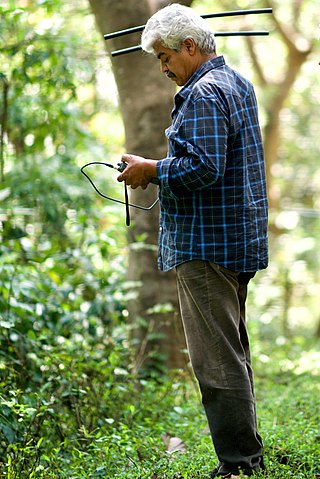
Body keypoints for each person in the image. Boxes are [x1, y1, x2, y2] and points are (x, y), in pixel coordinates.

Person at [117, 4, 268, 478]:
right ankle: (248, 457)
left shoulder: (202, 93)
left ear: (188, 46)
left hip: (206, 247)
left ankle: (239, 465)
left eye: (164, 57)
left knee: (216, 362)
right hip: (234, 240)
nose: (163, 69)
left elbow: (203, 167)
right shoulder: (236, 84)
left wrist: (151, 170)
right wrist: (154, 167)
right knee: (232, 352)